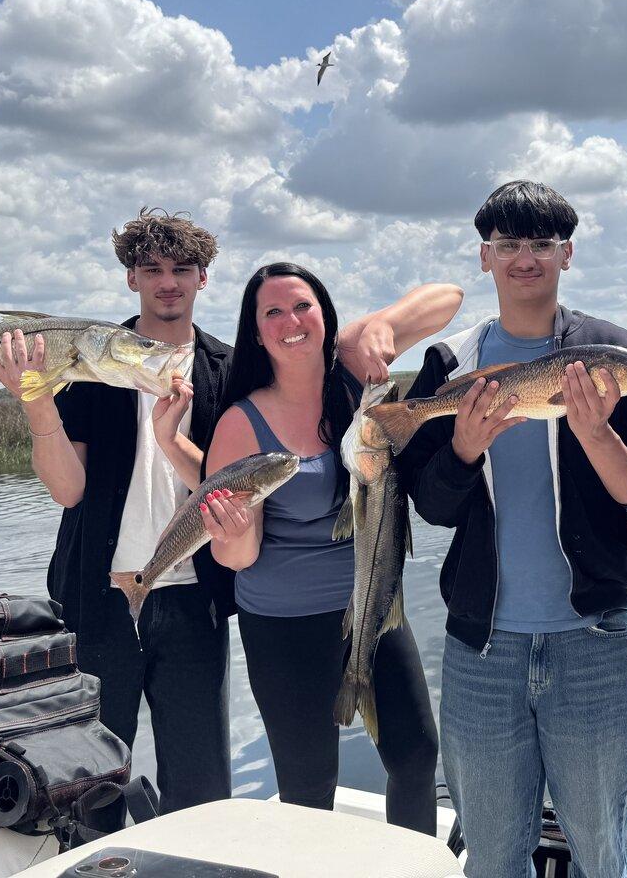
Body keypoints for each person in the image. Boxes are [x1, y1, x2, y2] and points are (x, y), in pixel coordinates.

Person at [394, 181, 627, 877]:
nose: (526, 259)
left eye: (541, 244)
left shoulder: (616, 354)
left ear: (567, 254)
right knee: (491, 859)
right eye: (509, 245)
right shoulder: (449, 366)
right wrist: (461, 449)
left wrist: (598, 435)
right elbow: (429, 506)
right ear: (485, 258)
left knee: (603, 855)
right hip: (480, 652)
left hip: (594, 643)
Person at [0, 208, 236, 822]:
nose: (167, 282)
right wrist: (35, 399)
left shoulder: (227, 371)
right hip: (98, 599)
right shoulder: (91, 363)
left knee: (200, 789)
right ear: (131, 279)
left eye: (182, 268)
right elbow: (68, 490)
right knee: (89, 787)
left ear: (204, 278)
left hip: (193, 601)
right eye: (151, 269)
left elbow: (234, 487)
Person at [194, 262, 460, 833]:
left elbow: (449, 298)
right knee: (309, 787)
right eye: (273, 312)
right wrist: (233, 529)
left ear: (324, 315)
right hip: (284, 625)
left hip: (377, 607)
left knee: (416, 758)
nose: (291, 322)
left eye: (303, 307)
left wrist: (380, 328)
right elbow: (234, 559)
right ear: (256, 331)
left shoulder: (354, 377)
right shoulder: (242, 424)